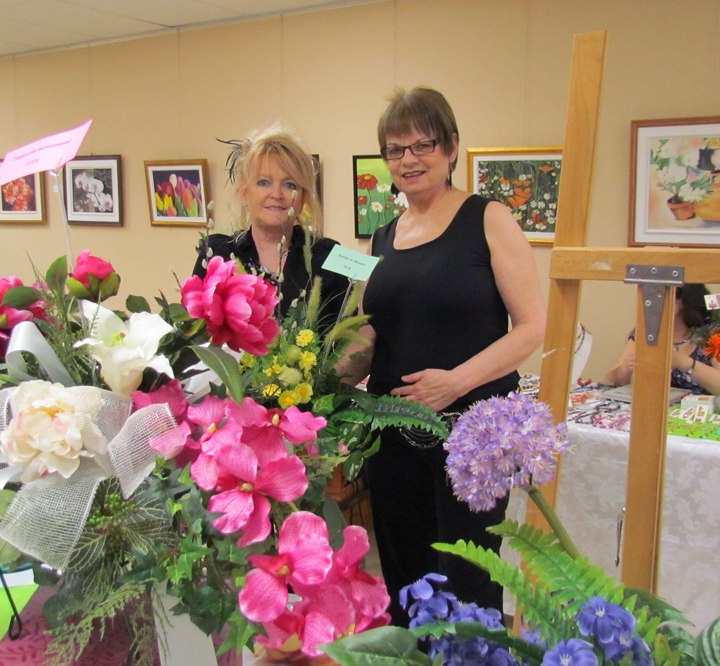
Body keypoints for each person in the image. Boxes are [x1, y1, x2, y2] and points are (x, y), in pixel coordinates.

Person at [344, 87, 546, 626]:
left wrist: (455, 382)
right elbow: (367, 338)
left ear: (452, 147)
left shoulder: (488, 218)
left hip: (472, 433)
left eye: (423, 145)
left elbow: (531, 329)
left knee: (469, 579)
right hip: (392, 438)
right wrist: (316, 375)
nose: (409, 159)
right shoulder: (380, 238)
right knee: (407, 576)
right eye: (395, 149)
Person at [193, 124, 350, 332]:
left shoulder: (330, 255)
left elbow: (352, 335)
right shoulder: (218, 255)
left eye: (290, 185)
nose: (277, 194)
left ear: (303, 197)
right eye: (264, 182)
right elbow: (195, 336)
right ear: (244, 191)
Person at [604, 283, 720, 395]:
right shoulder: (647, 331)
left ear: (682, 302)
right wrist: (625, 369)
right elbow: (612, 381)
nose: (649, 305)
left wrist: (683, 363)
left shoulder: (714, 333)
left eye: (658, 297)